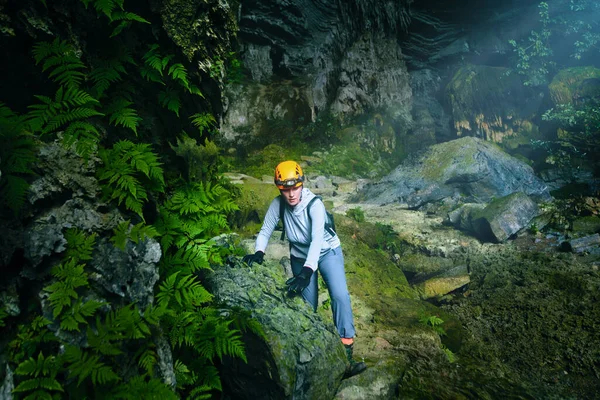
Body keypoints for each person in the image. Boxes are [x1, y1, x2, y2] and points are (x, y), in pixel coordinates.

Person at [243, 160, 367, 378]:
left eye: (295, 188)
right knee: (307, 307)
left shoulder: (314, 205)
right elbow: (265, 230)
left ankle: (347, 354)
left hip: (327, 252)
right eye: (285, 189)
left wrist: (307, 272)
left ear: (302, 183)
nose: (291, 194)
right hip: (300, 255)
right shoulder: (277, 204)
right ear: (279, 189)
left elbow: (318, 239)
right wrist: (259, 252)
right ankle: (315, 357)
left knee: (340, 296)